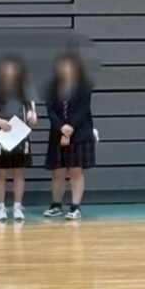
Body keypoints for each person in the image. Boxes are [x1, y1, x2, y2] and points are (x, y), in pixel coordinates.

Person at [0, 56, 38, 223]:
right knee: (0, 173)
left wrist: (32, 116)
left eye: (13, 69)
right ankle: (0, 207)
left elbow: (33, 114)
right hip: (1, 135)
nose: (10, 72)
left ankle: (17, 207)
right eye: (6, 69)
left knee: (19, 172)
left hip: (20, 135)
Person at [43, 53, 96, 221]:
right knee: (58, 171)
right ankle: (56, 205)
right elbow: (50, 110)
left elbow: (83, 109)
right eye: (62, 66)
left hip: (79, 132)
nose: (65, 69)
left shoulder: (84, 86)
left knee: (75, 170)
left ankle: (75, 207)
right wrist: (61, 128)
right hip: (57, 132)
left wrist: (70, 128)